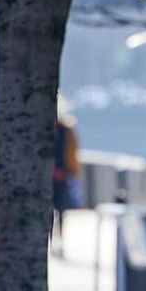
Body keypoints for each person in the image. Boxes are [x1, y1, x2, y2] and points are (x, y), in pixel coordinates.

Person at [52, 104, 82, 257]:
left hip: (57, 176)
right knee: (59, 210)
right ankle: (58, 238)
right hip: (60, 176)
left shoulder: (64, 131)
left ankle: (57, 238)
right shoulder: (66, 131)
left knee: (57, 210)